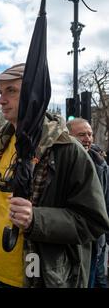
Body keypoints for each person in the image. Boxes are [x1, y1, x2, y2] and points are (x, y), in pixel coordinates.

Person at [0, 63, 109, 288]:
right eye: (0, 93)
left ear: (34, 94)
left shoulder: (66, 149)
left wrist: (37, 219)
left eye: (11, 91)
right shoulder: (0, 144)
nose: (1, 101)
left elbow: (93, 221)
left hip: (35, 279)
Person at [67, 118, 109, 288]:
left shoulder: (101, 165)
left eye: (90, 134)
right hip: (69, 242)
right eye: (81, 134)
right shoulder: (60, 161)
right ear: (67, 135)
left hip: (94, 243)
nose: (88, 138)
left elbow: (106, 205)